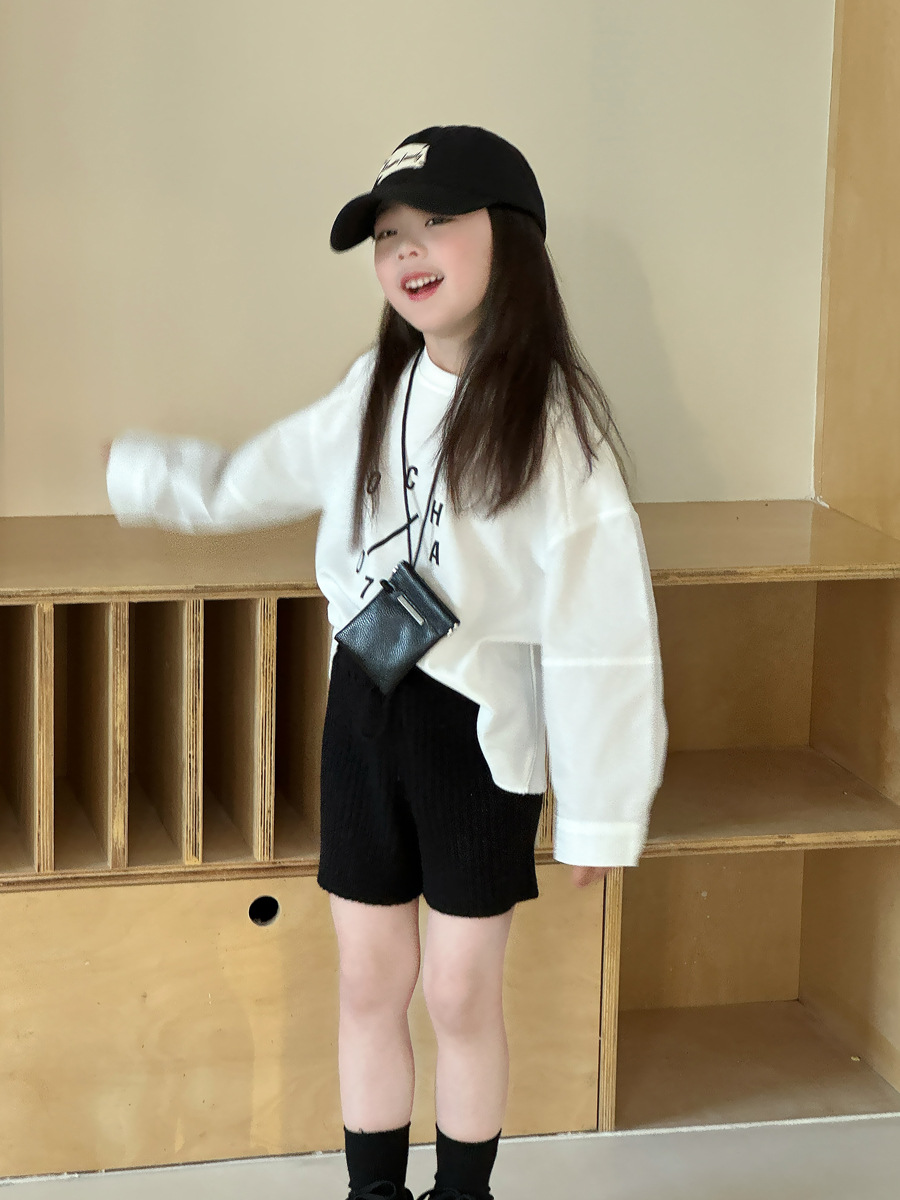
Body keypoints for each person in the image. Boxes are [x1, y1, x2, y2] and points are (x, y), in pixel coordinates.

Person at [105, 125, 667, 1200]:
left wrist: (602, 812)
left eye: (437, 223)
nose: (407, 249)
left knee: (458, 991)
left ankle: (462, 1192)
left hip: (477, 735)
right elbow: (255, 476)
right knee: (369, 977)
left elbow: (604, 635)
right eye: (388, 233)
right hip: (362, 710)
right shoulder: (376, 385)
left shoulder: (555, 428)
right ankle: (373, 1193)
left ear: (511, 239)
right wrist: (142, 475)